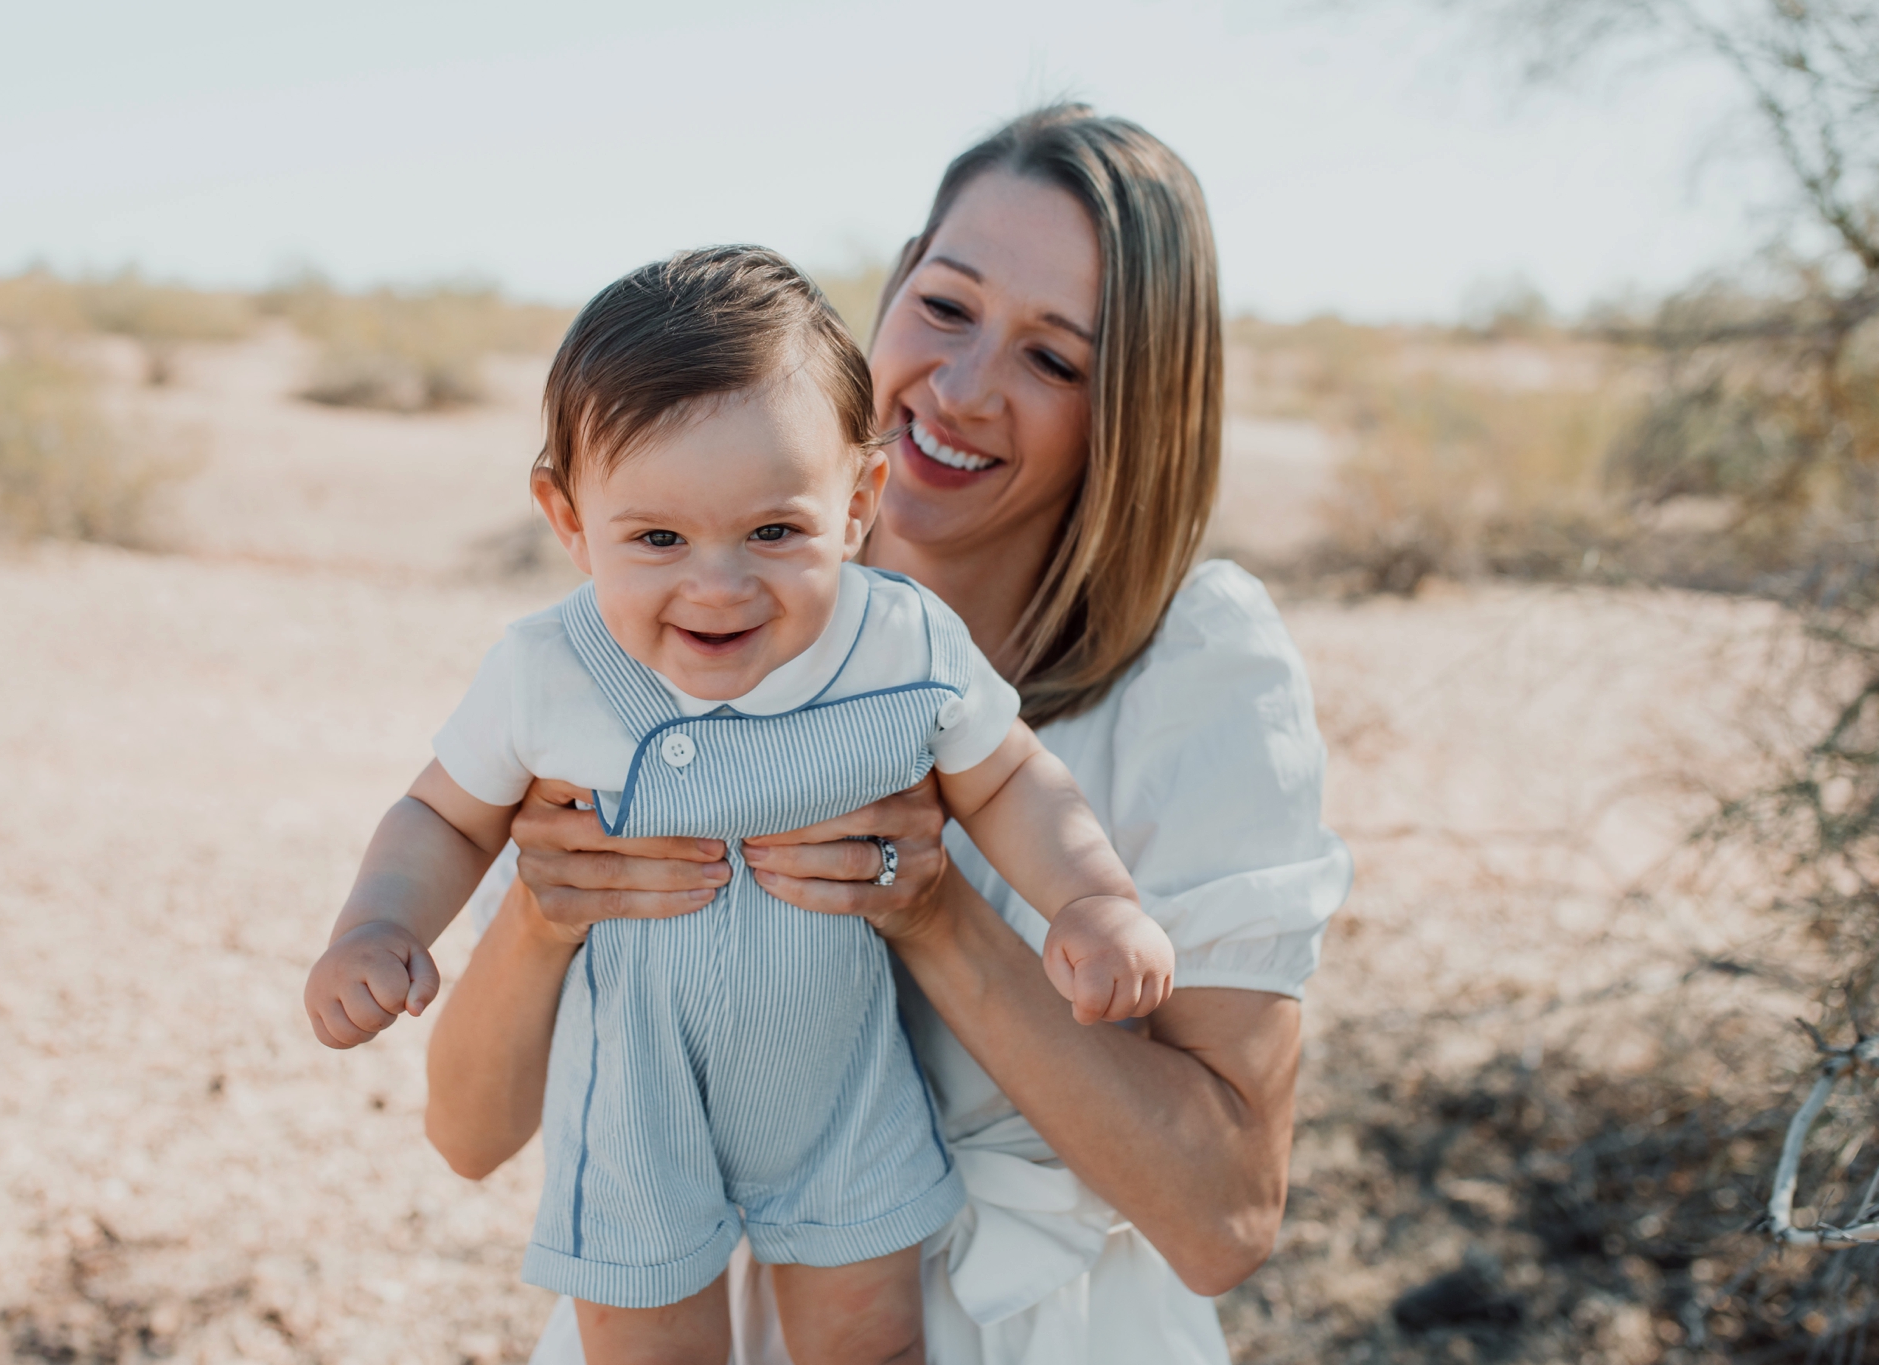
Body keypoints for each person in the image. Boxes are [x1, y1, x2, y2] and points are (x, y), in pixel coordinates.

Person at [429, 105, 1352, 1364]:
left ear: (1132, 407)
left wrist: (934, 912)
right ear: (896, 282)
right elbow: (471, 1137)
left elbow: (1222, 1220)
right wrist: (545, 919)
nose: (963, 392)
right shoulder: (683, 606)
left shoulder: (1200, 662)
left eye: (1055, 360)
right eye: (948, 307)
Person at [303, 245, 1176, 1364]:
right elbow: (441, 816)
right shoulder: (547, 670)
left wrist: (1092, 900)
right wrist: (375, 927)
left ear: (859, 501)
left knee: (871, 1349)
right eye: (656, 538)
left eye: (773, 532)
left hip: (839, 1091)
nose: (716, 585)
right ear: (566, 518)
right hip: (632, 1104)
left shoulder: (898, 643)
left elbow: (1007, 776)